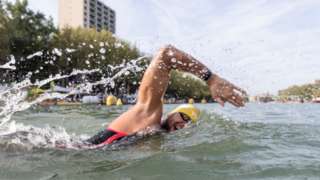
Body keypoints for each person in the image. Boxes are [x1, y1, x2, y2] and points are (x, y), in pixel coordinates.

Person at [86, 45, 247, 147]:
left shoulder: (159, 138)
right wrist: (211, 79)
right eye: (183, 116)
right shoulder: (149, 113)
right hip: (76, 152)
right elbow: (166, 54)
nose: (183, 124)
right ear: (171, 113)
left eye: (188, 123)